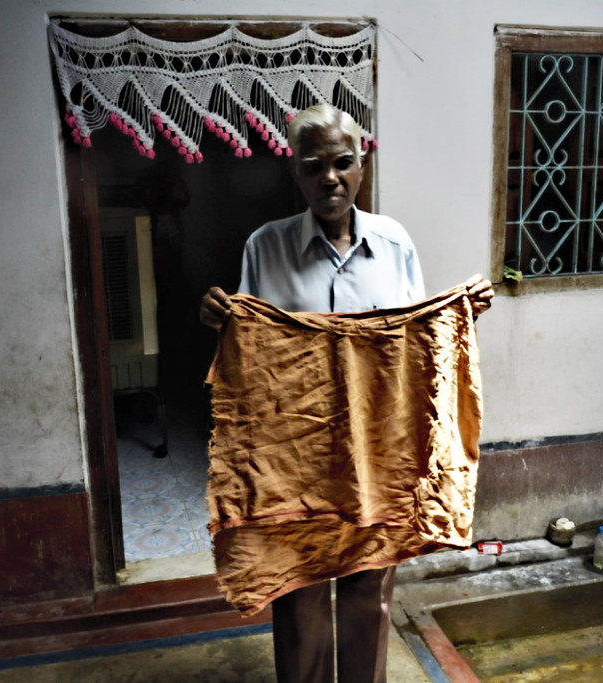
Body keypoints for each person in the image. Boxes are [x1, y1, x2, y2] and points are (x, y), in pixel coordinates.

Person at [200, 104, 493, 683]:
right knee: (300, 591)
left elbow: (415, 344)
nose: (329, 178)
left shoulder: (394, 244)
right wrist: (220, 316)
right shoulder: (266, 247)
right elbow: (253, 353)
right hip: (296, 456)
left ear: (362, 167)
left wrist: (457, 315)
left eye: (343, 163)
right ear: (296, 175)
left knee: (367, 593)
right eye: (314, 167)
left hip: (376, 456)